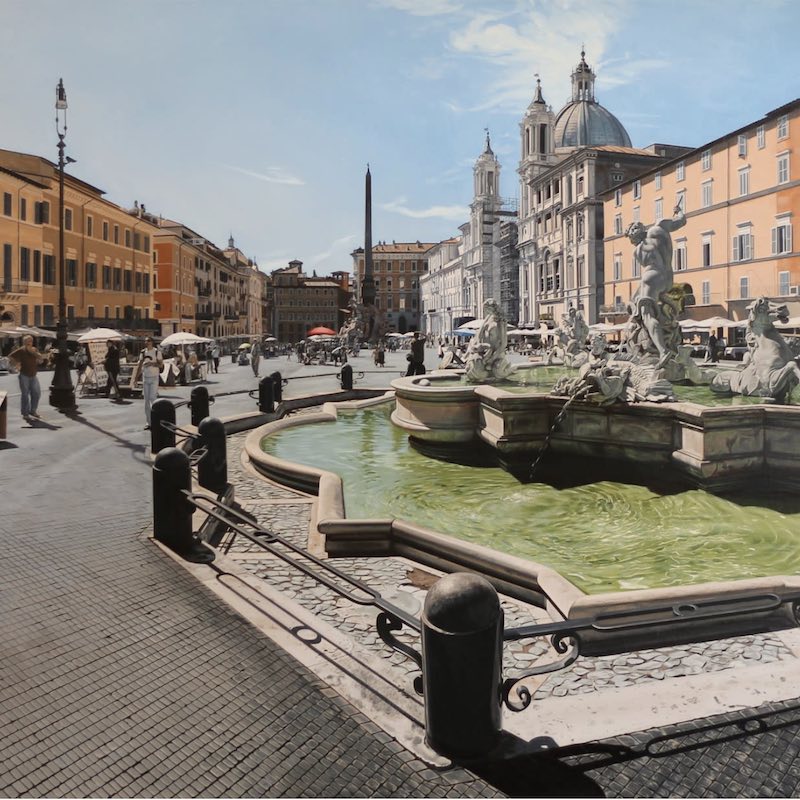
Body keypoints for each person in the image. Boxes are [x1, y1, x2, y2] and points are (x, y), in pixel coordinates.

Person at [626, 203, 686, 368]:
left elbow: (647, 277)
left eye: (630, 232)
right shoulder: (660, 226)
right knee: (649, 307)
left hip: (652, 277)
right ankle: (665, 338)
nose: (631, 235)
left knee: (646, 315)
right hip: (667, 279)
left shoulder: (638, 251)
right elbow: (681, 221)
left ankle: (662, 350)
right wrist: (679, 211)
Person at [9, 334, 45, 421]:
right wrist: (16, 365)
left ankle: (33, 411)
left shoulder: (34, 349)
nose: (29, 342)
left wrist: (38, 358)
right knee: (25, 395)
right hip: (24, 375)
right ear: (24, 342)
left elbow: (40, 360)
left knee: (36, 393)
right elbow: (10, 356)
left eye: (31, 341)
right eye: (27, 341)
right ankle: (25, 414)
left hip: (33, 375)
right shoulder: (21, 350)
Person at [138, 337, 163, 430]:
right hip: (145, 377)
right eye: (145, 341)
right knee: (146, 400)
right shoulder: (143, 352)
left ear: (152, 342)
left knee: (153, 398)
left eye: (148, 341)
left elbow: (161, 365)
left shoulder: (157, 352)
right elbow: (140, 365)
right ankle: (148, 422)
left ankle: (156, 419)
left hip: (154, 377)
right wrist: (135, 378)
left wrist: (151, 364)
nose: (147, 342)